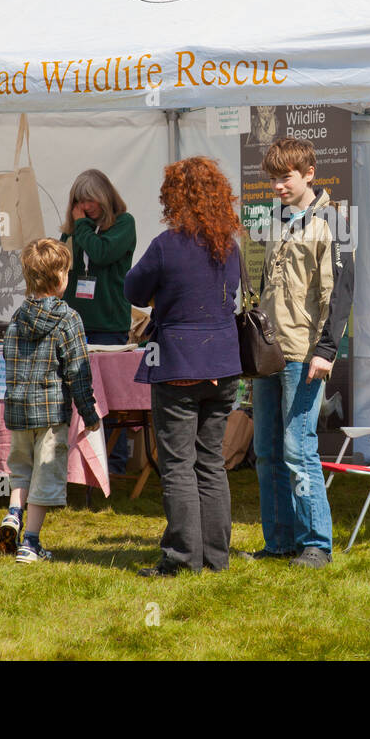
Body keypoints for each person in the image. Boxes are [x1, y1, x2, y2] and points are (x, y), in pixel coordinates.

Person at [124, 157, 242, 577]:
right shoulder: (229, 245)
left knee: (178, 464)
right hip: (225, 365)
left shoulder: (166, 244)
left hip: (179, 362)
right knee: (210, 462)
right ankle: (215, 558)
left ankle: (181, 560)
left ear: (174, 197)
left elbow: (133, 289)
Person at [248, 138, 354, 569]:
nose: (277, 185)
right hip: (269, 353)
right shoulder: (275, 220)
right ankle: (280, 542)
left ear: (309, 173)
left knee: (299, 449)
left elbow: (341, 293)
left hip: (305, 354)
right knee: (267, 451)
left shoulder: (335, 221)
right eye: (273, 178)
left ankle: (317, 544)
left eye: (285, 176)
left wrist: (326, 350)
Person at [0, 238, 100, 563]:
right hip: (52, 412)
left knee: (21, 469)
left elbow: (8, 360)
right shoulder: (68, 319)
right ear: (59, 278)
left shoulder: (16, 318)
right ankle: (30, 542)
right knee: (45, 474)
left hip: (17, 409)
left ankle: (13, 512)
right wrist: (89, 411)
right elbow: (78, 372)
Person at [59, 169, 136, 475]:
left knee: (110, 398)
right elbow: (61, 268)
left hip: (109, 325)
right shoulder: (75, 231)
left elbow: (102, 253)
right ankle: (76, 463)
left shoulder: (124, 224)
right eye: (79, 200)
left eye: (90, 199)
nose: (85, 206)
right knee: (73, 395)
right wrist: (75, 230)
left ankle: (114, 464)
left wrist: (81, 227)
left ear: (104, 197)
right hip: (75, 324)